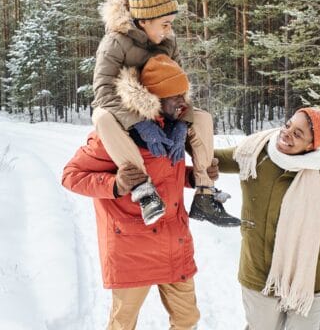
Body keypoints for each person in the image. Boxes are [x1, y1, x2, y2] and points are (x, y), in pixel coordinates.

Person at [62, 56, 222, 329]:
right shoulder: (116, 133)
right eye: (174, 97)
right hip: (131, 247)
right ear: (153, 98)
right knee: (123, 324)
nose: (182, 102)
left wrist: (192, 178)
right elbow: (71, 176)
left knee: (187, 319)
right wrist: (116, 184)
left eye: (184, 94)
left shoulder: (178, 130)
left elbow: (165, 175)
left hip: (175, 242)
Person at [91, 0, 239, 227]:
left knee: (202, 118)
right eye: (165, 23)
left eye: (171, 23)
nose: (169, 29)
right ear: (144, 20)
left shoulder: (169, 41)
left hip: (164, 111)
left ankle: (205, 194)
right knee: (101, 117)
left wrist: (181, 122)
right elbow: (103, 92)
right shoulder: (114, 43)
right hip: (128, 112)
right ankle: (144, 190)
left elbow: (179, 86)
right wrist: (139, 122)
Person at [212, 107, 320, 329]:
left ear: (313, 145)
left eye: (298, 133)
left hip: (309, 277)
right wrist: (178, 129)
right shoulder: (255, 153)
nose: (287, 133)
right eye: (288, 124)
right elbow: (208, 156)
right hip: (259, 272)